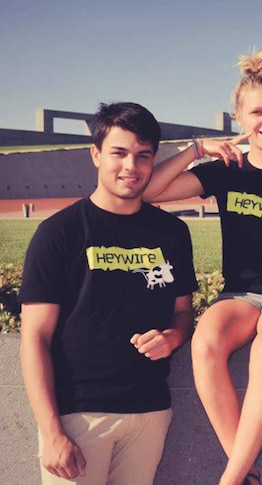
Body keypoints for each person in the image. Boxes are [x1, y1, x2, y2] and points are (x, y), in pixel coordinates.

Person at [143, 50, 262, 485]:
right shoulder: (227, 171)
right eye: (256, 113)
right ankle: (246, 472)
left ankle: (230, 481)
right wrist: (195, 148)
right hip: (240, 296)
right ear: (238, 118)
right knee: (204, 344)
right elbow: (152, 190)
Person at [19, 102, 197, 485]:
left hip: (149, 412)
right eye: (119, 153)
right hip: (79, 416)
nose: (130, 167)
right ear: (96, 154)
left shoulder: (173, 233)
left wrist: (172, 337)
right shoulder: (59, 233)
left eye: (142, 156)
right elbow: (35, 337)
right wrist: (52, 431)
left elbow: (183, 313)